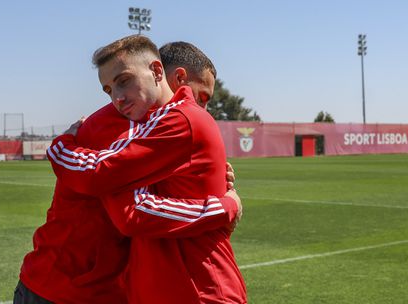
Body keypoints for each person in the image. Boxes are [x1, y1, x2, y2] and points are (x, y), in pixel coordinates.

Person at [15, 37, 243, 304]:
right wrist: (224, 207)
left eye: (124, 82)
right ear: (174, 77)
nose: (118, 97)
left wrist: (213, 187)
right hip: (65, 288)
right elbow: (128, 208)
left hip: (136, 288)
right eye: (110, 88)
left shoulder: (166, 121)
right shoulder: (130, 123)